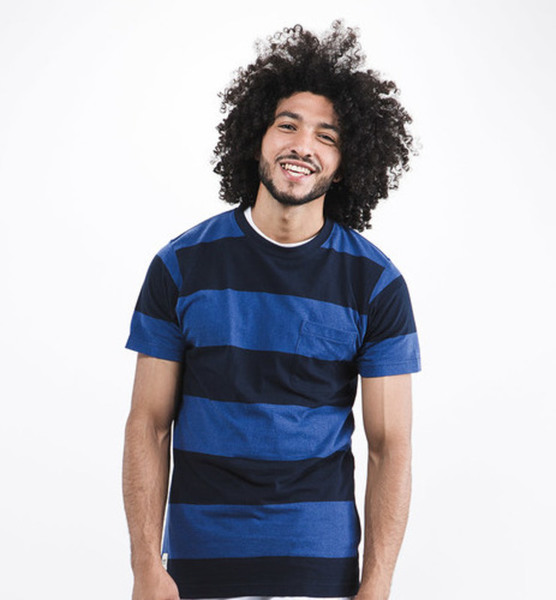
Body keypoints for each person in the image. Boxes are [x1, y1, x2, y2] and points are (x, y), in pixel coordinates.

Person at [123, 20, 421, 600]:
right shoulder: (180, 266)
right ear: (255, 135)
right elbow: (148, 424)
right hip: (196, 570)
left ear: (346, 161)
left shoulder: (376, 284)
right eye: (288, 125)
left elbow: (390, 446)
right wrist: (145, 568)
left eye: (326, 136)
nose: (302, 146)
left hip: (320, 571)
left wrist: (378, 585)